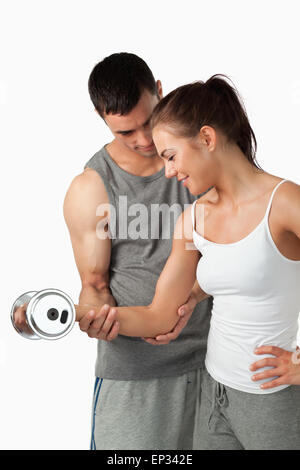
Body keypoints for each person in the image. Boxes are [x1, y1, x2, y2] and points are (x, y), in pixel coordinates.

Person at [95, 75, 300, 450]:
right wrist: (86, 315)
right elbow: (160, 314)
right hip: (214, 393)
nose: (169, 171)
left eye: (171, 156)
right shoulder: (193, 219)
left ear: (207, 138)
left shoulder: (285, 203)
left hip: (273, 397)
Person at [63, 53, 213, 450]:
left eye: (149, 121)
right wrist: (95, 317)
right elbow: (93, 285)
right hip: (135, 374)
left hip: (214, 365)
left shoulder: (200, 162)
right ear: (102, 116)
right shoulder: (92, 186)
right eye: (127, 131)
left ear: (160, 92)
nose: (145, 140)